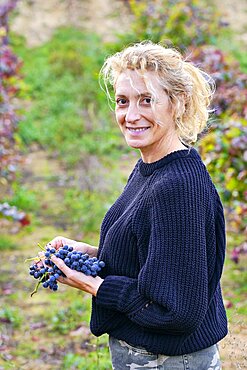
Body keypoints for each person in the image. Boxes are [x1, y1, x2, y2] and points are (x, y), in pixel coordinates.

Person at [48, 41, 228, 369]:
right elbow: (157, 258)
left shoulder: (178, 187)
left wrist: (95, 285)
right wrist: (90, 254)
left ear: (177, 103)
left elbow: (176, 311)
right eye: (122, 101)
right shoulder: (153, 167)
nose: (131, 115)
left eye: (146, 101)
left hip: (170, 361)